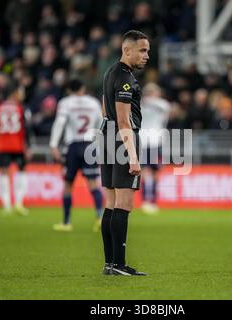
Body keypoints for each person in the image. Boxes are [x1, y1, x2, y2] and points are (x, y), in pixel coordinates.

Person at [100, 30, 150, 276]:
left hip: (106, 137)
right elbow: (123, 120)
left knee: (110, 204)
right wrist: (132, 154)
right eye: (142, 50)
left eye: (147, 51)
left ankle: (110, 264)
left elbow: (104, 106)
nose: (146, 55)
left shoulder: (110, 72)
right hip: (122, 139)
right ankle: (119, 265)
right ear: (126, 50)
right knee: (124, 204)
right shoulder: (126, 78)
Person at [49, 79, 104, 232]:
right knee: (93, 183)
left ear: (68, 90)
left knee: (68, 185)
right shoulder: (93, 103)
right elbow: (101, 125)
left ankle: (66, 222)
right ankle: (100, 218)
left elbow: (60, 123)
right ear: (83, 87)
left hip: (73, 146)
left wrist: (53, 145)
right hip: (89, 145)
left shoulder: (66, 103)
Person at [0, 85, 31, 216]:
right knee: (21, 171)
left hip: (2, 144)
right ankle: (19, 203)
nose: (22, 96)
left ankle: (6, 205)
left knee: (4, 173)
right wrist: (28, 146)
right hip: (18, 145)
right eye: (20, 92)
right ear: (14, 93)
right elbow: (26, 128)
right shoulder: (20, 108)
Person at [139, 82, 170, 214]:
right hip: (152, 141)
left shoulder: (140, 103)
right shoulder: (162, 104)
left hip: (150, 141)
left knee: (149, 172)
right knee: (151, 172)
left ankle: (149, 201)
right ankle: (149, 201)